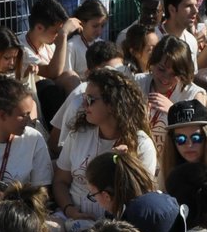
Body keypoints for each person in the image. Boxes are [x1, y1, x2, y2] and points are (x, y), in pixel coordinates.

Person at [53, 69, 160, 222]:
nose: (84, 104)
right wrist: (69, 210)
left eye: (90, 99)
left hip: (116, 223)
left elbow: (140, 199)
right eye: (84, 98)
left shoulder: (142, 144)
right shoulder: (78, 134)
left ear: (112, 104)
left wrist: (124, 165)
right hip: (71, 217)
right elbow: (60, 181)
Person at [0, 75, 56, 196]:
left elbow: (42, 192)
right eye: (24, 115)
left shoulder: (34, 139)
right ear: (2, 115)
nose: (29, 120)